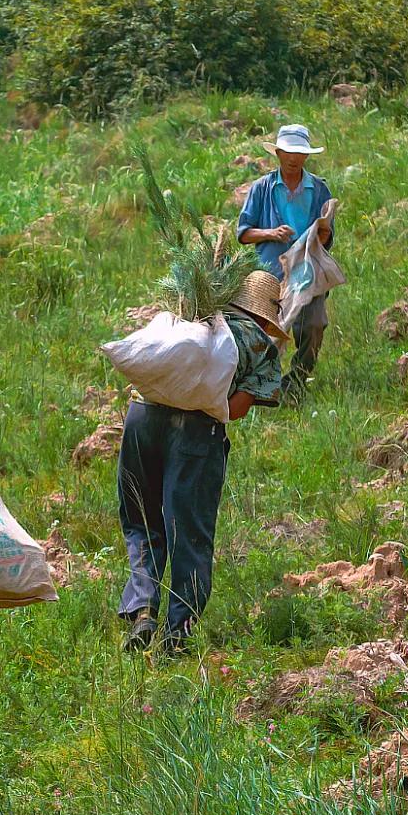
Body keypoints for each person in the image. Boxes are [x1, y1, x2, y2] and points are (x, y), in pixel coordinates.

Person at [118, 272, 286, 655]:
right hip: (195, 435)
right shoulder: (258, 344)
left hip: (141, 419)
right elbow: (235, 410)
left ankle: (143, 609)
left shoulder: (189, 317)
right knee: (188, 532)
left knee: (141, 519)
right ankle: (178, 635)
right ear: (263, 315)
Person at [237, 124, 334, 398]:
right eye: (288, 152)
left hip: (308, 270)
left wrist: (322, 233)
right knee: (266, 333)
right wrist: (271, 233)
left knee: (314, 325)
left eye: (299, 153)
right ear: (278, 153)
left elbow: (327, 238)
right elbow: (243, 233)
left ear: (306, 156)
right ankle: (262, 386)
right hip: (270, 274)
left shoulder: (319, 189)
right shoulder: (261, 189)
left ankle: (298, 381)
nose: (293, 159)